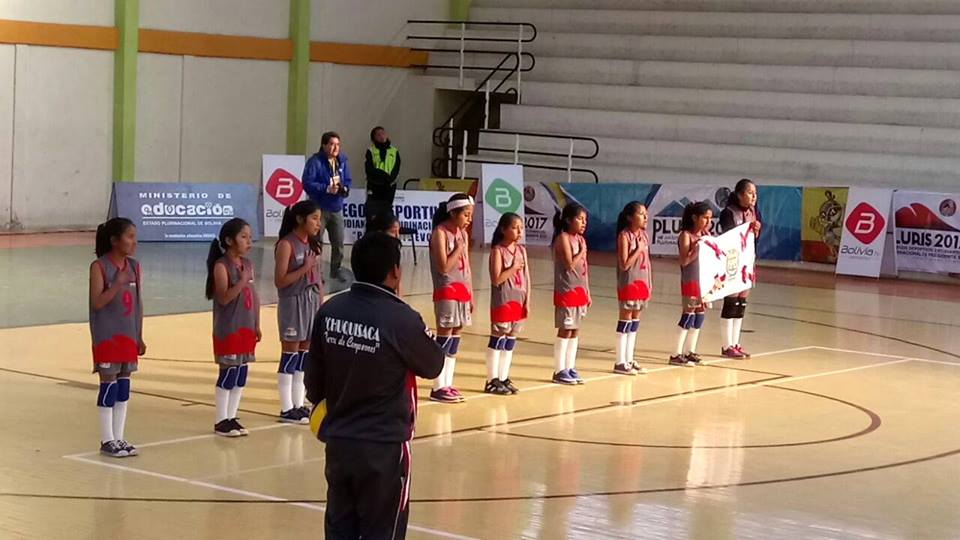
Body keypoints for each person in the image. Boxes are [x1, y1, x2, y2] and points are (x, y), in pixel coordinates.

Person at [305, 232, 444, 540]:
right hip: (384, 446)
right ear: (395, 271)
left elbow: (312, 382)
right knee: (383, 530)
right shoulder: (401, 318)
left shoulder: (330, 310)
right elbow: (434, 364)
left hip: (339, 441)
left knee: (340, 528)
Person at [89, 217, 145, 457]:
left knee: (123, 387)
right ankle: (106, 439)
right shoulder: (99, 266)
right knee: (108, 386)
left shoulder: (135, 266)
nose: (134, 241)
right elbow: (98, 302)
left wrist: (139, 335)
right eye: (129, 236)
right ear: (114, 240)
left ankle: (120, 437)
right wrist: (117, 284)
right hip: (107, 336)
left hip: (128, 335)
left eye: (135, 236)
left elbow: (138, 303)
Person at [206, 218, 260, 437]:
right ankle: (221, 420)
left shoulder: (248, 264)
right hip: (229, 328)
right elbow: (225, 297)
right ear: (229, 240)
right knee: (228, 373)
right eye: (243, 237)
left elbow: (254, 296)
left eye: (250, 237)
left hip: (247, 325)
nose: (249, 241)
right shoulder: (221, 266)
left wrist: (256, 323)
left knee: (241, 372)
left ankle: (232, 416)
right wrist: (242, 280)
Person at [274, 200, 323, 424]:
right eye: (314, 218)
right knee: (290, 355)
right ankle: (286, 408)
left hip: (310, 301)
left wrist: (321, 303)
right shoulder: (286, 245)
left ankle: (298, 403)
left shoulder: (312, 245)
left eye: (319, 219)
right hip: (292, 302)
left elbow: (318, 279)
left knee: (304, 356)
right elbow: (280, 281)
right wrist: (304, 268)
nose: (318, 223)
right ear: (300, 219)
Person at [428, 193, 475, 403]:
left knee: (456, 336)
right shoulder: (440, 232)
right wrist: (457, 248)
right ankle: (438, 386)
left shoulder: (463, 234)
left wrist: (471, 293)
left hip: (462, 290)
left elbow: (468, 267)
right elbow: (444, 266)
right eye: (466, 215)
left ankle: (448, 382)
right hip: (447, 289)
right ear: (453, 212)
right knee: (444, 336)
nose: (469, 219)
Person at [486, 212, 530, 395]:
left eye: (521, 227)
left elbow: (527, 277)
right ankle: (491, 380)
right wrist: (512, 268)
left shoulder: (521, 250)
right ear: (503, 229)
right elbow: (496, 279)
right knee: (498, 336)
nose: (519, 231)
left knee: (511, 339)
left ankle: (504, 377)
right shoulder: (497, 251)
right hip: (503, 300)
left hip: (519, 300)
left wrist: (528, 299)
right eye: (514, 227)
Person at [718, 179, 761, 358]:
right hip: (733, 261)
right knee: (731, 300)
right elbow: (730, 238)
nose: (754, 197)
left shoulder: (754, 212)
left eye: (755, 193)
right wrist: (746, 229)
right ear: (740, 194)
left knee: (741, 302)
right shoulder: (728, 213)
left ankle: (736, 342)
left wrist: (756, 231)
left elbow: (754, 240)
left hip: (747, 260)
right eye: (750, 193)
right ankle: (726, 345)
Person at [303, 131, 352, 281]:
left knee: (338, 242)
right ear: (324, 145)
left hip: (336, 207)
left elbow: (348, 179)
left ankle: (336, 269)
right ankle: (315, 272)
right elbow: (307, 183)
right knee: (316, 241)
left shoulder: (342, 161)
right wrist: (325, 188)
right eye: (331, 144)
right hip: (319, 207)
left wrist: (344, 189)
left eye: (337, 144)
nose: (335, 148)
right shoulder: (315, 161)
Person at [670, 201, 713, 367]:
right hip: (691, 281)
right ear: (695, 218)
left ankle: (690, 350)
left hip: (703, 281)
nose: (708, 222)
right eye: (705, 218)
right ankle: (675, 353)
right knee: (688, 315)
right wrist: (697, 250)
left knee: (699, 316)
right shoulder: (686, 235)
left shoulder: (705, 234)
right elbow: (684, 260)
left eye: (710, 218)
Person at [552, 202, 590, 385]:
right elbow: (569, 264)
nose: (584, 223)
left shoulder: (581, 240)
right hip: (566, 290)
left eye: (585, 220)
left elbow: (585, 269)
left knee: (575, 330)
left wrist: (587, 292)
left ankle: (570, 366)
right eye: (580, 219)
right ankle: (559, 370)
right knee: (565, 330)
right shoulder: (563, 238)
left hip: (580, 291)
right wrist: (582, 252)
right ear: (568, 220)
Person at [614, 202, 651, 376]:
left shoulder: (644, 235)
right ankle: (620, 361)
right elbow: (624, 264)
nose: (646, 217)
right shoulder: (624, 236)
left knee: (635, 322)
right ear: (630, 217)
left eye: (646, 214)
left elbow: (647, 263)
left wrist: (649, 283)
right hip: (629, 283)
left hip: (642, 282)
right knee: (625, 321)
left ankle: (629, 358)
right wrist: (638, 250)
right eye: (641, 214)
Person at [364, 126, 401, 230]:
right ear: (374, 138)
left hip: (389, 188)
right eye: (378, 134)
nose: (382, 136)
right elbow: (369, 170)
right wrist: (380, 179)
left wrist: (389, 181)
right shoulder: (371, 151)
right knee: (372, 215)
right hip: (375, 187)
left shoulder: (394, 151)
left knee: (387, 216)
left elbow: (396, 169)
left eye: (383, 133)